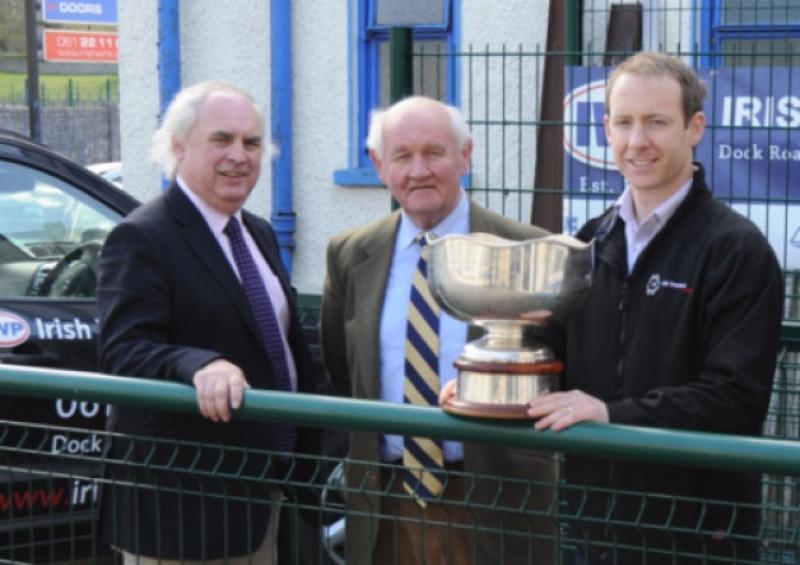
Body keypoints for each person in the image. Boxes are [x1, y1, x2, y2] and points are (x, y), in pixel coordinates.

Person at [524, 52, 783, 563]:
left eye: (657, 122)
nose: (637, 141)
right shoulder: (590, 240)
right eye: (624, 122)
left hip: (696, 538)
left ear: (695, 128)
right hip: (594, 530)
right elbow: (550, 352)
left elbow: (736, 398)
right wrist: (488, 380)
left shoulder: (736, 249)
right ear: (606, 129)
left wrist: (611, 414)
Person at [96, 81, 328, 564]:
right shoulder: (142, 236)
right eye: (221, 139)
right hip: (185, 511)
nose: (239, 156)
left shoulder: (257, 232)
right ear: (179, 146)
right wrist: (200, 365)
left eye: (252, 143)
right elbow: (124, 350)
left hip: (262, 491)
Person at [321, 95, 556, 565]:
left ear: (465, 156)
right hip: (386, 503)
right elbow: (342, 372)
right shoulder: (350, 254)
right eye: (402, 156)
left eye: (434, 153)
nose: (418, 171)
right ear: (379, 165)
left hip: (495, 499)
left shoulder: (525, 249)